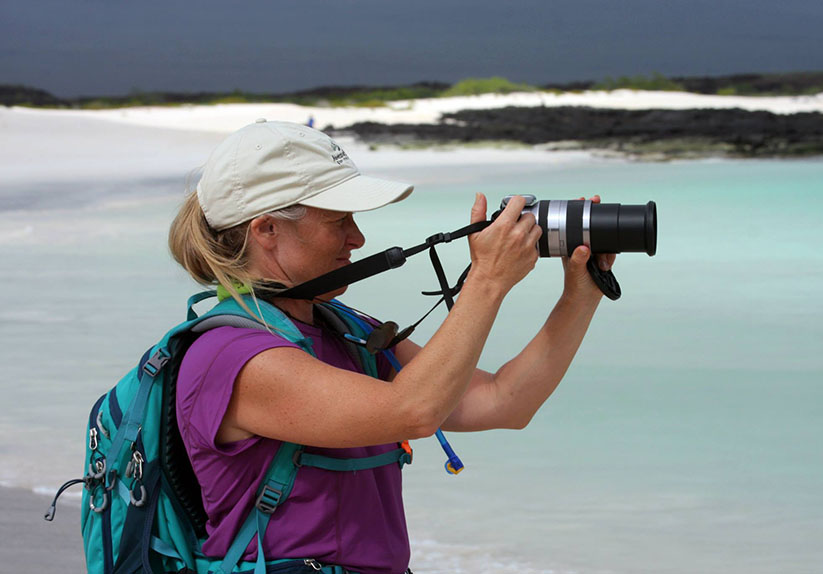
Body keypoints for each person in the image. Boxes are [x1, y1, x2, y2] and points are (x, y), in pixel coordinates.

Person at [167, 119, 614, 574]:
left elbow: (503, 402)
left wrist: (581, 293)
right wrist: (488, 279)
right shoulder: (233, 358)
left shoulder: (348, 332)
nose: (358, 238)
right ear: (266, 230)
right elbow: (414, 412)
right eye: (339, 220)